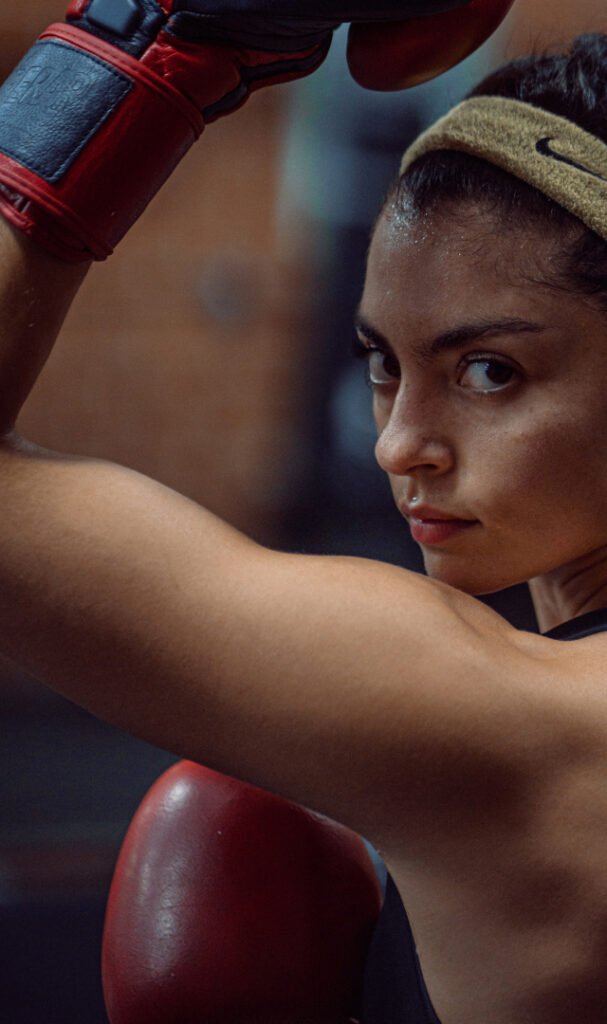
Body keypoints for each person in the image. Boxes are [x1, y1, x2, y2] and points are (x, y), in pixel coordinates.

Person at [3, 3, 607, 1022]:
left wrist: (149, 45)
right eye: (382, 363)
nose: (396, 443)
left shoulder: (527, 726)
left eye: (490, 370)